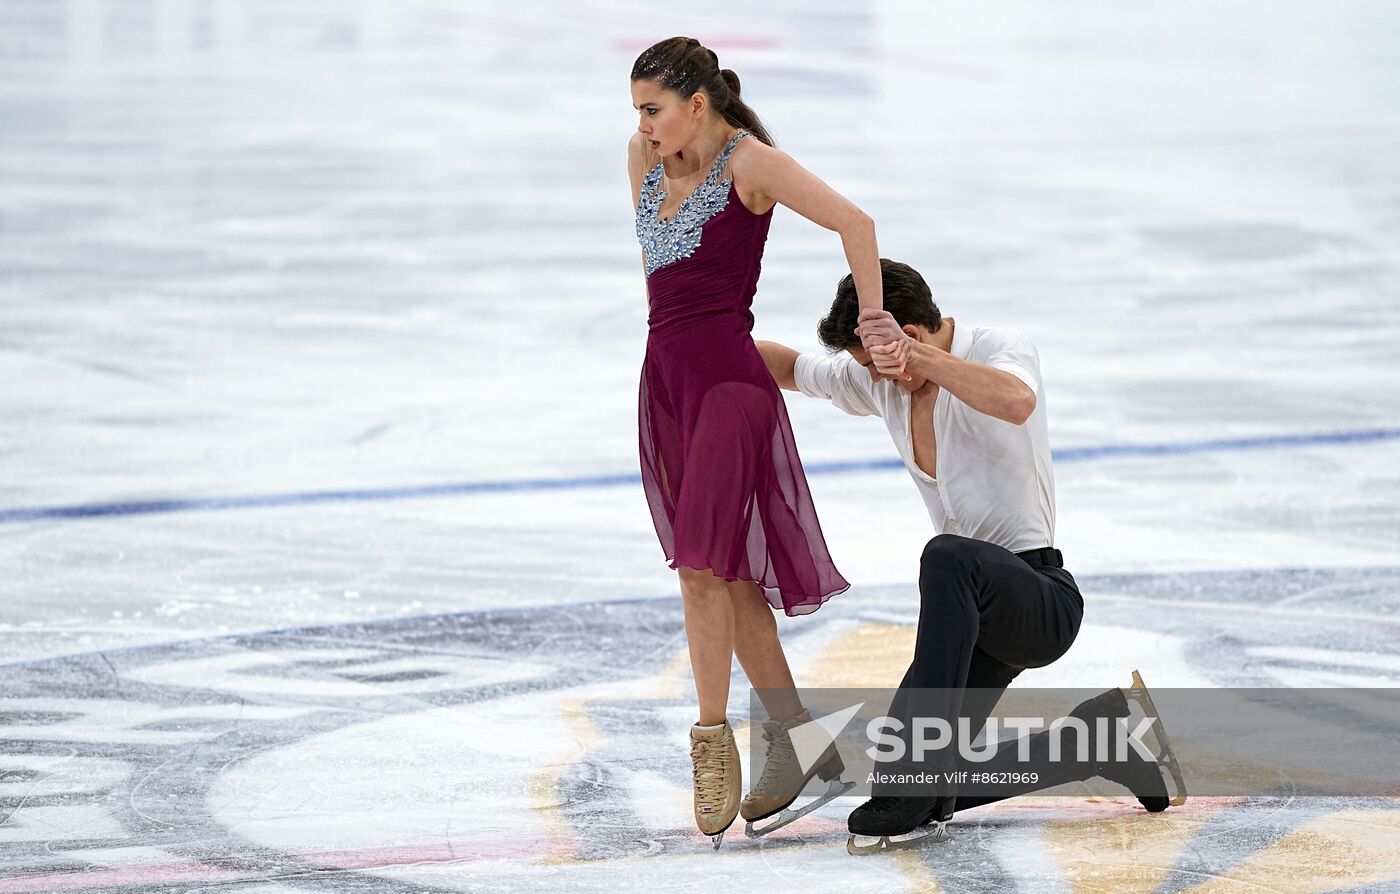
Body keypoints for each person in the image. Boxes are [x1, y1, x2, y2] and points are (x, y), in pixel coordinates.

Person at [756, 259, 1184, 855]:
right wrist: (698, 337)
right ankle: (1099, 741)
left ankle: (910, 783)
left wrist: (920, 360)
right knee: (930, 788)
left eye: (879, 358)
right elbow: (794, 369)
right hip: (973, 622)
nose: (872, 377)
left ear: (912, 335)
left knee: (946, 557)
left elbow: (1015, 401)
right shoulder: (880, 382)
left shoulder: (997, 347)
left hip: (1035, 596)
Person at [627, 37, 895, 849]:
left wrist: (875, 319)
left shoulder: (751, 165)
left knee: (702, 572)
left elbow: (856, 220)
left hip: (730, 391)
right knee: (730, 577)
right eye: (637, 110)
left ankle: (711, 744)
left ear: (697, 104)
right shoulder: (639, 157)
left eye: (654, 108)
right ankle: (795, 739)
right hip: (667, 385)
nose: (643, 125)